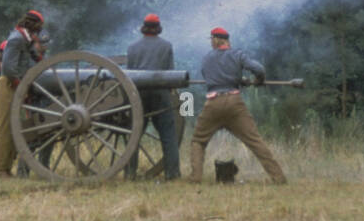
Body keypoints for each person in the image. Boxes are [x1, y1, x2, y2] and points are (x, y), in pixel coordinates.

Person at [188, 27, 287, 185]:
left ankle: (195, 179)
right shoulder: (237, 54)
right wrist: (256, 81)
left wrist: (237, 79)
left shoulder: (207, 58)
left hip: (213, 103)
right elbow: (259, 69)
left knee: (198, 141)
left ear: (214, 40)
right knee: (255, 141)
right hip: (234, 104)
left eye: (211, 39)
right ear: (227, 40)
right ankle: (279, 178)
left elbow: (211, 78)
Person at [0, 10, 47, 179]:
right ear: (33, 25)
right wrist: (20, 86)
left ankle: (6, 169)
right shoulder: (16, 39)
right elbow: (7, 69)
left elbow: (35, 58)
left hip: (15, 86)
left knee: (14, 127)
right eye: (39, 27)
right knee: (5, 127)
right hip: (7, 85)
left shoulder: (25, 39)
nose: (39, 31)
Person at [123, 14, 180, 181]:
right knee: (169, 136)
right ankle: (172, 174)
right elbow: (170, 73)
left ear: (144, 27)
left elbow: (128, 76)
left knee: (134, 136)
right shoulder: (166, 46)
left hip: (139, 95)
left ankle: (129, 172)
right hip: (160, 94)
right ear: (158, 28)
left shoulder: (132, 48)